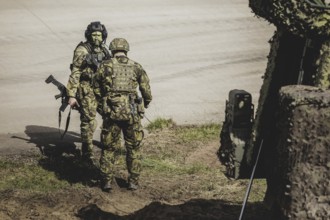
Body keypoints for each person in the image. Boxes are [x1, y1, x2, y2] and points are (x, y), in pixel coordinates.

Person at [93, 38, 152, 191]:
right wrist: (145, 102)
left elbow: (95, 86)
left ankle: (106, 182)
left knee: (109, 148)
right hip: (132, 114)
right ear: (126, 50)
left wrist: (103, 102)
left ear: (112, 50)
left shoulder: (105, 66)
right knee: (133, 148)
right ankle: (133, 181)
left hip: (112, 113)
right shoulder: (136, 66)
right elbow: (146, 89)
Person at [66, 21, 111, 165]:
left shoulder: (104, 50)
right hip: (87, 89)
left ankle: (107, 145)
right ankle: (87, 152)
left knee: (109, 116)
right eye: (94, 34)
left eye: (99, 34)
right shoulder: (82, 50)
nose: (97, 37)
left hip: (102, 89)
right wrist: (71, 95)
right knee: (89, 121)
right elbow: (75, 72)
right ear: (89, 35)